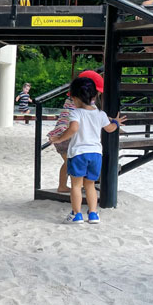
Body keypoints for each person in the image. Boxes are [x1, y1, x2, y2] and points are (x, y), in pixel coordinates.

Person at [48, 77, 124, 224]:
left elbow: (74, 128)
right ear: (95, 96)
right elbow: (110, 129)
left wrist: (59, 139)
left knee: (76, 185)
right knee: (90, 185)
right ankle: (93, 214)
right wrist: (116, 122)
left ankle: (76, 214)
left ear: (74, 97)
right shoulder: (100, 114)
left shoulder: (76, 112)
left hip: (78, 153)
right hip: (96, 154)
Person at [47, 70, 104, 193]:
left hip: (60, 134)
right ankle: (79, 186)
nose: (98, 95)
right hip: (67, 136)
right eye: (97, 92)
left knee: (68, 162)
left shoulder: (72, 99)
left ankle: (63, 185)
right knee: (75, 163)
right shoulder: (84, 103)